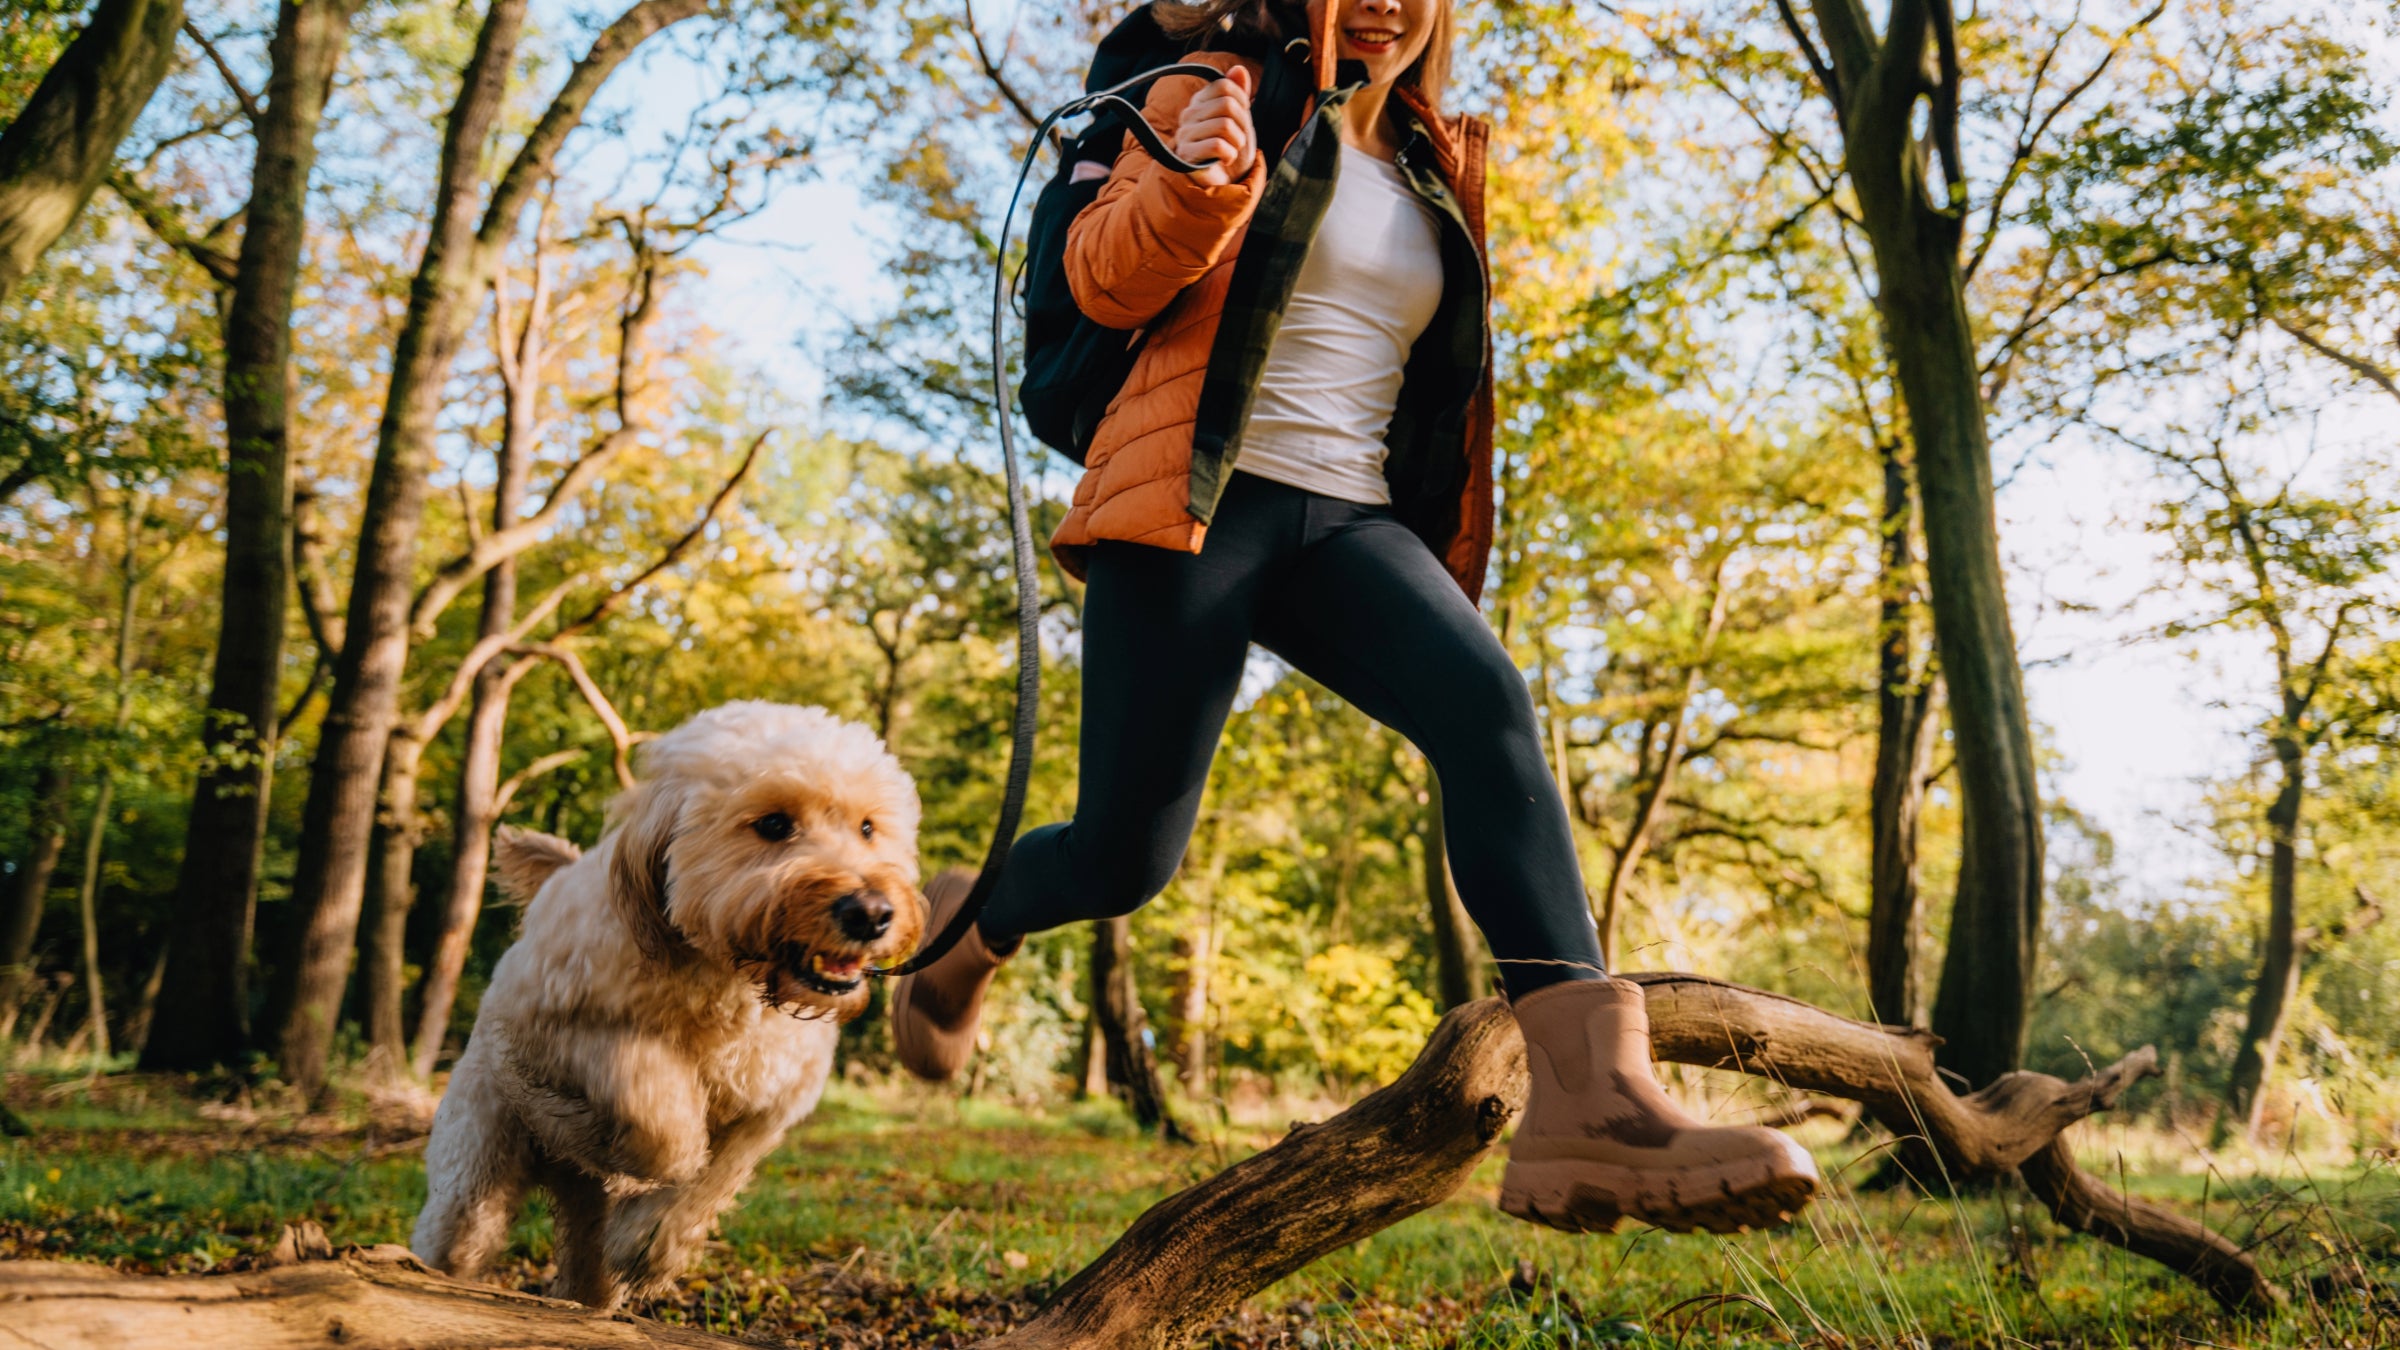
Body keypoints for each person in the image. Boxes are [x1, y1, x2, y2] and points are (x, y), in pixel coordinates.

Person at [893, 0, 1818, 1234]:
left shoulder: (1439, 160)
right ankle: (979, 919)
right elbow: (1098, 281)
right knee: (1126, 859)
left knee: (1487, 707)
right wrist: (1201, 185)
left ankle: (1592, 1104)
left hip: (1352, 520)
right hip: (1194, 495)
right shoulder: (1206, 87)